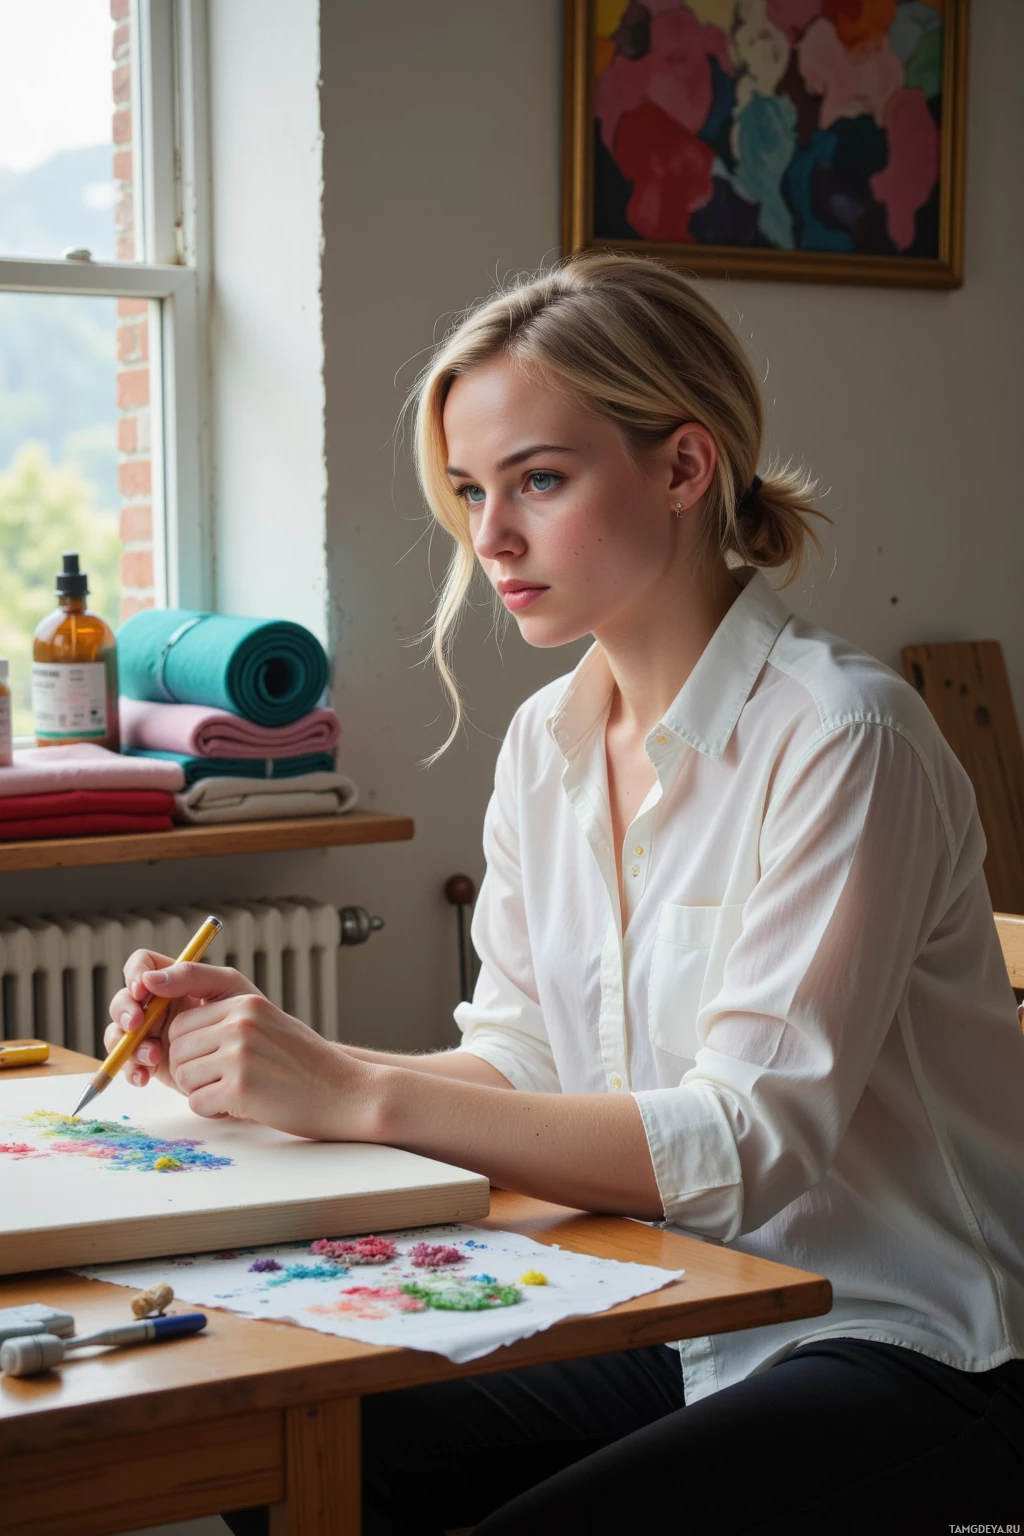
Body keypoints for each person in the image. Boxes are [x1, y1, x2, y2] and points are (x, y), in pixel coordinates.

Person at [107, 253, 1024, 1532]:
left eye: (538, 479)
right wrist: (278, 1062)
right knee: (290, 1446)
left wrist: (352, 1090)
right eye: (473, 490)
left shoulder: (844, 737)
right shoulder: (545, 742)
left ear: (683, 468)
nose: (490, 537)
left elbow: (749, 1143)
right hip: (671, 1300)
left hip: (907, 1340)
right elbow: (524, 1061)